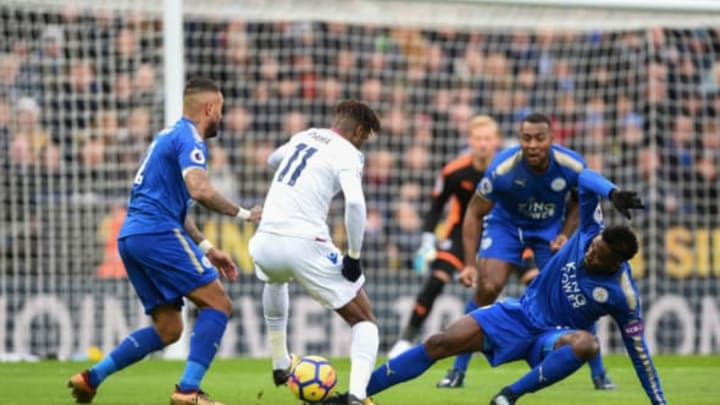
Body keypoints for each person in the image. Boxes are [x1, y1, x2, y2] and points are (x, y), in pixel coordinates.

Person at [362, 170, 668, 405]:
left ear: (614, 264)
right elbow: (585, 177)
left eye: (597, 257)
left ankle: (507, 396)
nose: (589, 253)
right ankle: (357, 394)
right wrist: (611, 191)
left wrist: (660, 402)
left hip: (551, 338)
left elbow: (639, 353)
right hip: (519, 314)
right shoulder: (590, 230)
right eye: (591, 249)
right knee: (438, 342)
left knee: (587, 344)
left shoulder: (623, 295)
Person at [67, 78, 261, 405]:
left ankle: (91, 377)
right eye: (221, 111)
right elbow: (200, 190)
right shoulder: (190, 138)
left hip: (132, 237)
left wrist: (208, 249)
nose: (222, 119)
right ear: (209, 108)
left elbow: (179, 210)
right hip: (156, 233)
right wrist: (244, 214)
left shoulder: (166, 137)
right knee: (219, 305)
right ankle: (187, 391)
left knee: (169, 329)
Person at [440, 112, 622, 390]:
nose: (533, 144)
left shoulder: (571, 165)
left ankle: (599, 373)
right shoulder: (502, 168)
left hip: (548, 232)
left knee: (573, 295)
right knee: (488, 286)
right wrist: (468, 264)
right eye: (527, 138)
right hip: (506, 227)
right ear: (520, 140)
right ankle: (457, 370)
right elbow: (473, 212)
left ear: (552, 139)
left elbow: (581, 202)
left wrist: (564, 233)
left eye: (540, 138)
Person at [249, 100, 381, 405]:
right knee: (365, 321)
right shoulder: (349, 152)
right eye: (365, 138)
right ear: (358, 131)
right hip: (305, 242)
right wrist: (354, 255)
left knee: (275, 279)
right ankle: (358, 397)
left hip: (265, 241)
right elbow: (356, 204)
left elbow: (272, 160)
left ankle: (281, 362)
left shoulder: (305, 136)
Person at [388, 115, 533, 359]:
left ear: (496, 141)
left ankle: (545, 336)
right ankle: (405, 338)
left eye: (488, 139)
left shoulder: (511, 170)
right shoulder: (454, 172)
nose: (483, 144)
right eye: (478, 139)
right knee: (436, 279)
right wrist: (427, 240)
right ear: (470, 141)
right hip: (461, 233)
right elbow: (435, 207)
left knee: (533, 279)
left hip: (503, 232)